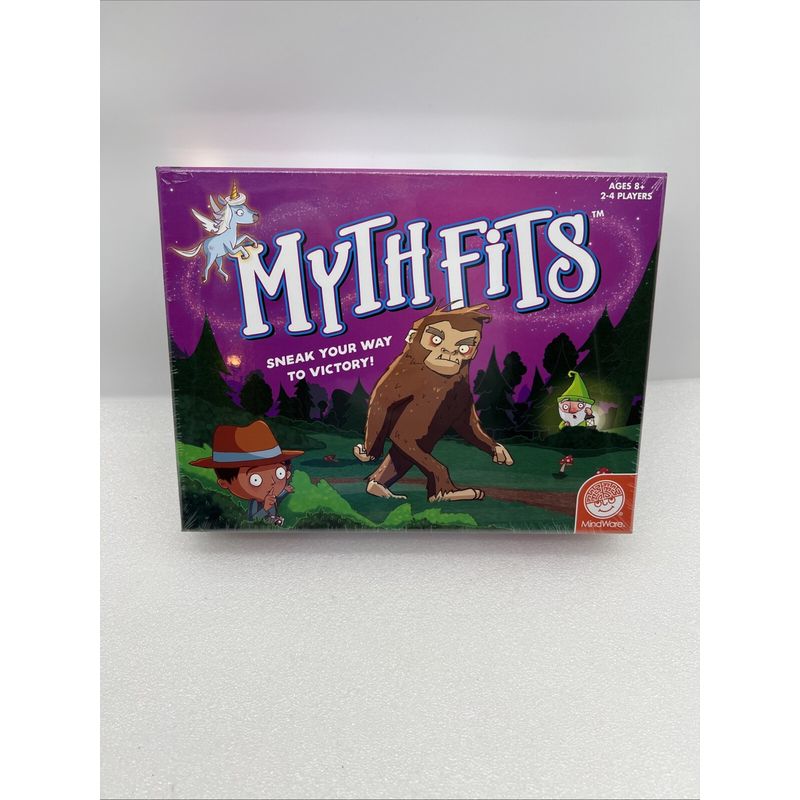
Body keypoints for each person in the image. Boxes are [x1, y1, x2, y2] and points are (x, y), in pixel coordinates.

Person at [190, 420, 303, 525]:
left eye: (280, 473)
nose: (272, 482)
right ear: (224, 483)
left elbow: (278, 499)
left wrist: (285, 491)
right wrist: (265, 508)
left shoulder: (270, 496)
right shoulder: (255, 502)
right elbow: (252, 519)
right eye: (255, 480)